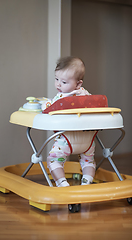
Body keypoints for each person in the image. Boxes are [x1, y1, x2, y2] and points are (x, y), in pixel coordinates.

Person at [42, 56, 96, 187]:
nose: (58, 84)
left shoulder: (60, 99)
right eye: (56, 79)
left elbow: (46, 108)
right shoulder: (88, 96)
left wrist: (43, 104)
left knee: (54, 160)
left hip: (66, 141)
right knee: (88, 161)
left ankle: (62, 183)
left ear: (78, 84)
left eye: (64, 82)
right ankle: (87, 182)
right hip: (88, 141)